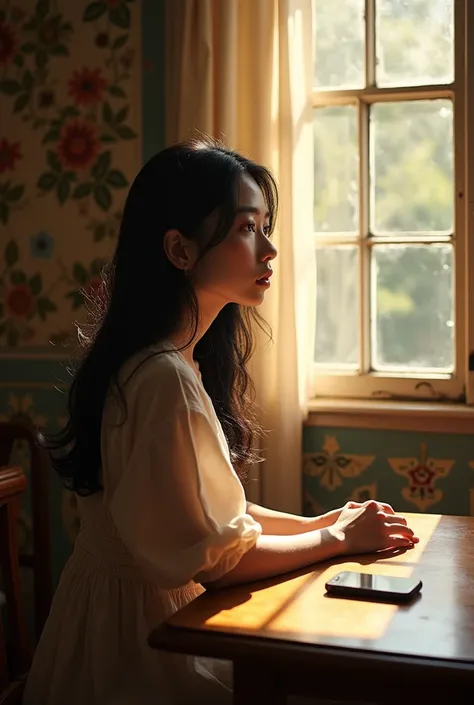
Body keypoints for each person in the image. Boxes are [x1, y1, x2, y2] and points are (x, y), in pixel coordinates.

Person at [23, 136, 418, 705]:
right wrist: (337, 538)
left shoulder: (167, 361)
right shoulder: (163, 378)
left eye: (264, 226)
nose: (270, 249)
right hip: (141, 644)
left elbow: (220, 517)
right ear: (180, 251)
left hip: (116, 620)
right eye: (246, 228)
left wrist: (320, 523)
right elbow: (217, 560)